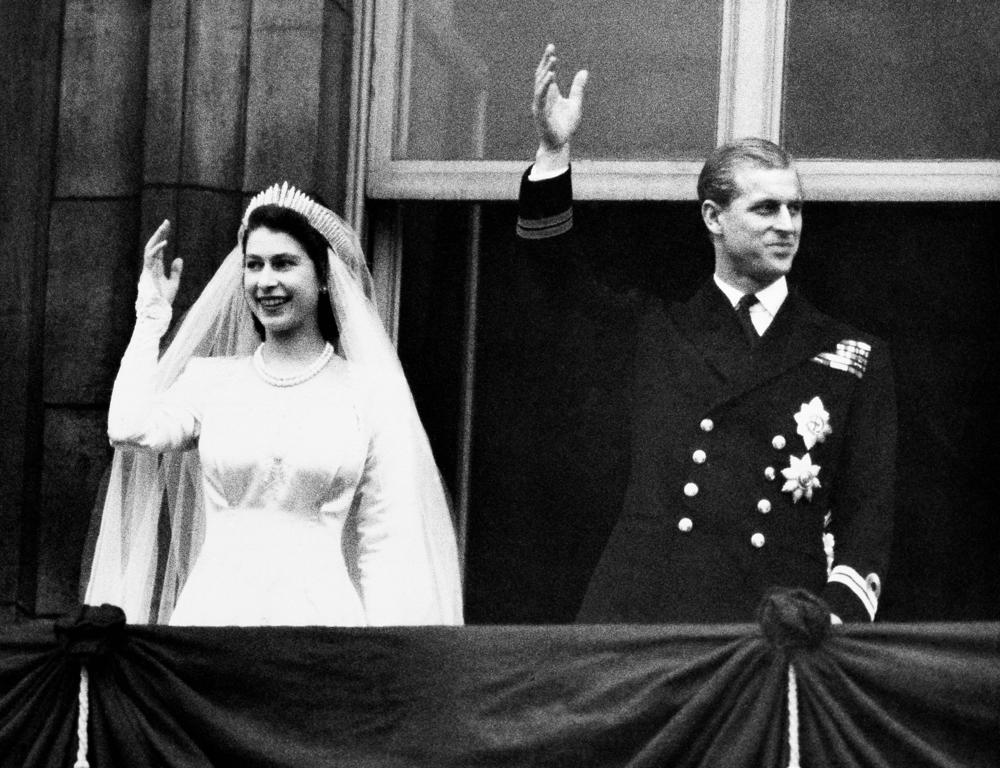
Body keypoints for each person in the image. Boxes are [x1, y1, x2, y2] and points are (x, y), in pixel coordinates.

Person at [518, 46, 897, 623]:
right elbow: (556, 283)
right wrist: (553, 152)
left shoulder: (853, 357)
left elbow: (868, 512)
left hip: (775, 627)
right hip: (650, 620)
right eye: (766, 208)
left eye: (795, 209)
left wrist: (832, 619)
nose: (787, 225)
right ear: (714, 218)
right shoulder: (656, 332)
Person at [85, 183, 463, 626]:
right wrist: (150, 319)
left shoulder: (370, 393)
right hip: (212, 619)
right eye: (254, 265)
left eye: (284, 264)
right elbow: (128, 428)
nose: (266, 282)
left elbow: (385, 540)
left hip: (321, 628)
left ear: (323, 277)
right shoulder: (212, 382)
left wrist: (377, 658)